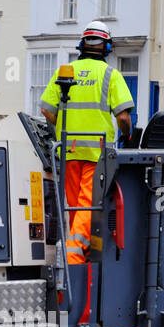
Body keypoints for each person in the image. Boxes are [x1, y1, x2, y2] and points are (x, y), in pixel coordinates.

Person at [38, 21, 135, 265]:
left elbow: (46, 110)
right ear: (107, 46)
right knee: (87, 205)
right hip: (97, 152)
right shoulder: (110, 75)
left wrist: (63, 127)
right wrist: (127, 133)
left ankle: (78, 257)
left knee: (75, 209)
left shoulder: (65, 71)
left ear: (83, 44)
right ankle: (73, 255)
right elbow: (123, 116)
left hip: (69, 149)